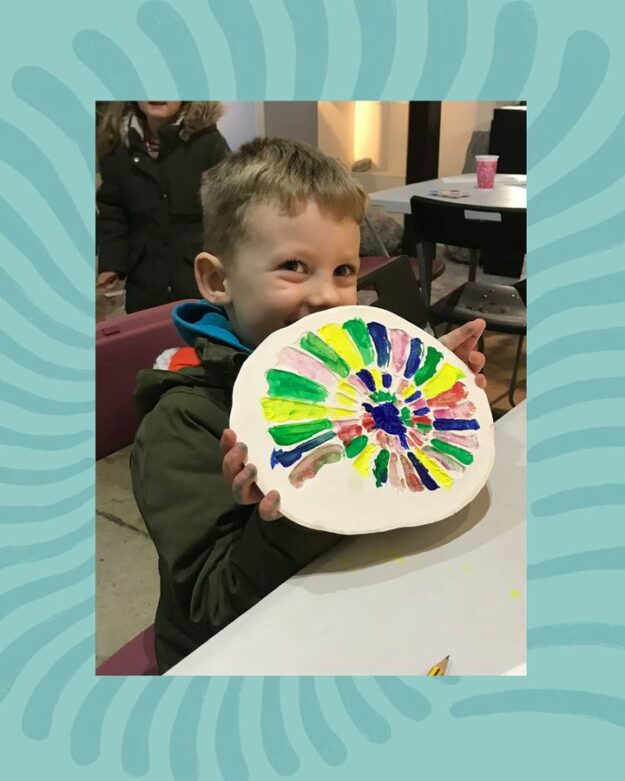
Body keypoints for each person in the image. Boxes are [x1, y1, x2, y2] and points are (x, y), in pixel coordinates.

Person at [130, 137, 487, 672]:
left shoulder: (349, 384)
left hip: (356, 612)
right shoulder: (182, 422)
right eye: (295, 266)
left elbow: (384, 499)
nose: (327, 296)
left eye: (344, 270)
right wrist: (297, 508)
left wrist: (434, 412)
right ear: (217, 279)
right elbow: (211, 609)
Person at [96, 101, 230, 313]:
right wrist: (112, 263)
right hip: (144, 284)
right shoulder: (117, 145)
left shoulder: (208, 142)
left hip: (199, 282)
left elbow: (228, 209)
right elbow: (113, 210)